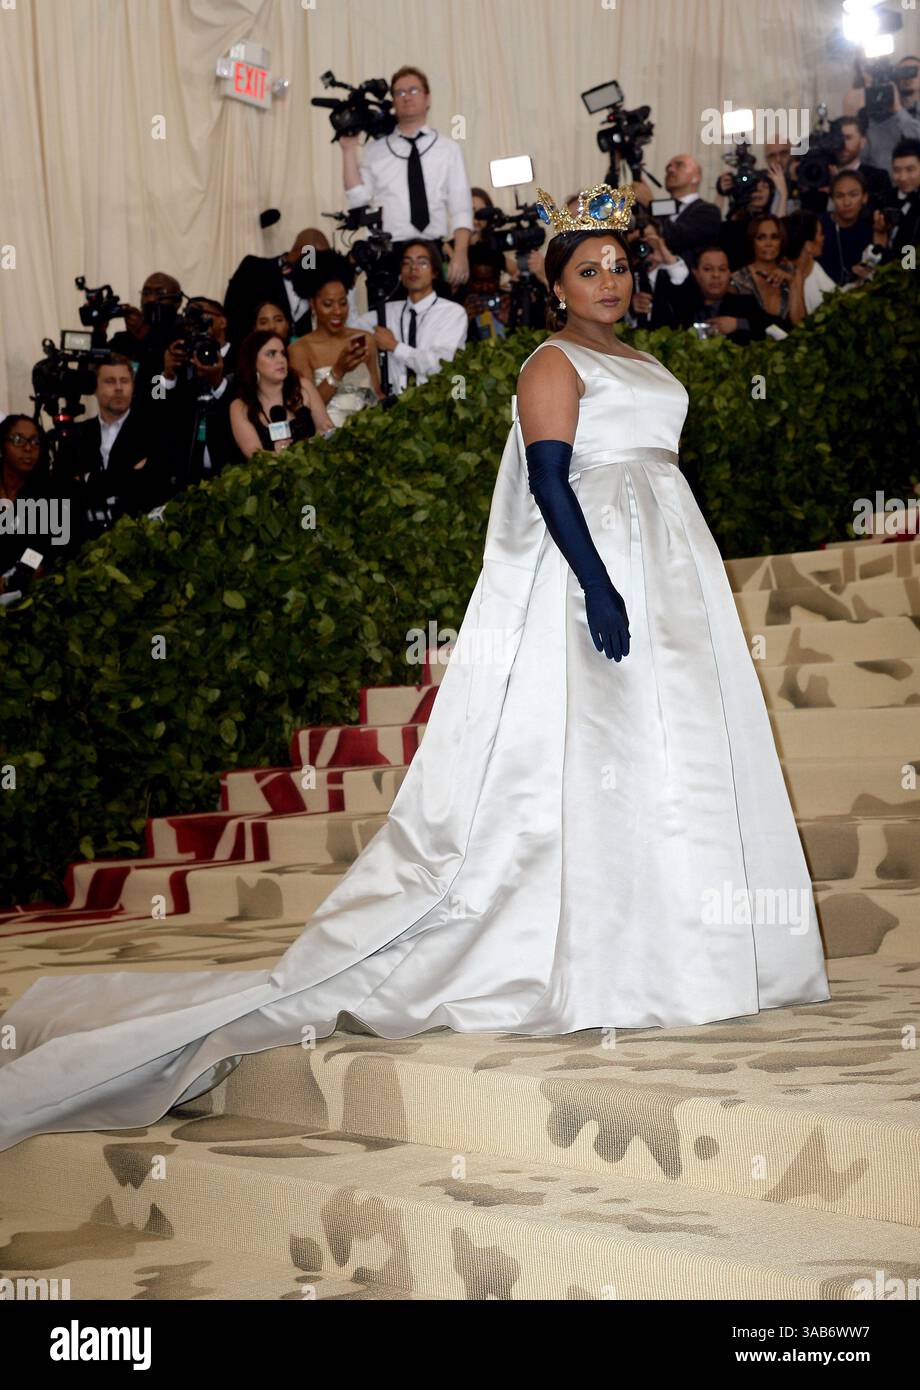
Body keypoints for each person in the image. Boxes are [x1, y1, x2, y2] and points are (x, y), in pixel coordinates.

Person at [0, 179, 831, 1155]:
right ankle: (614, 963)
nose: (608, 281)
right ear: (554, 282)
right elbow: (550, 483)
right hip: (598, 575)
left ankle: (695, 951)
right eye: (587, 269)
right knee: (603, 752)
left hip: (675, 570)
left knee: (681, 753)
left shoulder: (641, 356)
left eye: (618, 265)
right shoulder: (549, 363)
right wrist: (599, 589)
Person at [340, 64, 474, 295]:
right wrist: (348, 151)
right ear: (393, 101)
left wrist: (461, 253)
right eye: (399, 92)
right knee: (388, 327)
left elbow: (461, 208)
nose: (406, 97)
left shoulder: (448, 149)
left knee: (436, 325)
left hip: (432, 250)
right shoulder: (375, 150)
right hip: (389, 254)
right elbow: (358, 200)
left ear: (427, 98)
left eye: (413, 90)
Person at [348, 239, 468, 394]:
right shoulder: (387, 312)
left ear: (435, 272)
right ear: (401, 272)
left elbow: (441, 364)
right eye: (407, 263)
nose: (414, 268)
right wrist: (351, 276)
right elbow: (348, 327)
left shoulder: (452, 313)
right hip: (394, 408)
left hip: (437, 405)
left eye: (422, 263)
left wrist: (395, 346)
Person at [288, 252, 383, 427]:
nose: (338, 311)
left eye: (342, 302)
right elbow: (305, 411)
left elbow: (376, 394)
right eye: (328, 304)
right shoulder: (300, 349)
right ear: (313, 304)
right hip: (326, 442)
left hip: (370, 436)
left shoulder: (365, 339)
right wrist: (338, 371)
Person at [229, 330, 335, 459]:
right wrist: (277, 455)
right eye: (271, 354)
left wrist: (319, 438)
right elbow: (254, 454)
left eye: (283, 354)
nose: (281, 360)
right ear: (253, 362)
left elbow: (326, 427)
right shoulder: (240, 406)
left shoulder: (303, 386)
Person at [653, 245, 768, 343]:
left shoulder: (745, 304)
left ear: (729, 274)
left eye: (722, 269)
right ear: (696, 273)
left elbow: (775, 328)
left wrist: (738, 324)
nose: (716, 275)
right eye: (708, 269)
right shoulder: (677, 305)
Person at [631, 153, 722, 267]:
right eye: (668, 167)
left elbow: (677, 237)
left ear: (696, 177)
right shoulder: (663, 207)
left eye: (679, 165)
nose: (671, 170)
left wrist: (650, 205)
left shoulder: (708, 211)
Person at [729, 214, 806, 330]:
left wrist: (792, 283)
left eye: (774, 237)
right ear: (752, 241)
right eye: (761, 237)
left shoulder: (793, 272)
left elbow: (800, 325)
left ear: (781, 240)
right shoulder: (738, 279)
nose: (768, 243)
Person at [818, 170, 889, 286]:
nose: (847, 203)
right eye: (840, 196)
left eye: (853, 195)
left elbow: (884, 272)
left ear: (865, 197)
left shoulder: (873, 228)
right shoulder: (818, 225)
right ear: (832, 199)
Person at [782, 211, 838, 316]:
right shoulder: (784, 281)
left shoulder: (814, 266)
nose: (823, 238)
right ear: (808, 246)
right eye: (820, 233)